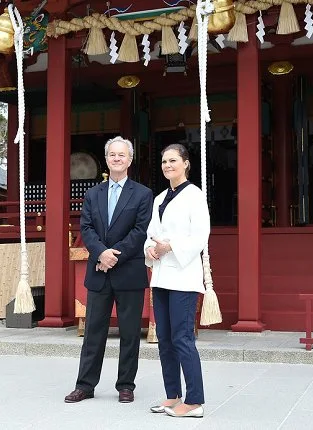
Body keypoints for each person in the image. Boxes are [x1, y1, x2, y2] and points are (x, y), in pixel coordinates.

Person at [65, 136, 153, 404]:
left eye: (122, 155)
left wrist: (113, 256)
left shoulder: (142, 193)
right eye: (112, 154)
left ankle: (125, 385)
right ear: (107, 159)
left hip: (128, 271)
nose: (117, 158)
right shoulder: (93, 194)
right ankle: (85, 385)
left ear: (130, 159)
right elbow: (87, 228)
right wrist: (101, 253)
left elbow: (140, 231)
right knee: (93, 332)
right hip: (99, 271)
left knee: (129, 333)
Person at [144, 143, 210, 418]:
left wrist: (170, 247)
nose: (167, 166)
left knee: (182, 338)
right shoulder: (160, 198)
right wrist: (150, 248)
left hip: (183, 276)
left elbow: (200, 235)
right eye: (164, 162)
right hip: (161, 275)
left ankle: (195, 401)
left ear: (185, 163)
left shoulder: (195, 196)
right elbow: (152, 232)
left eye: (173, 160)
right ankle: (173, 394)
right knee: (164, 338)